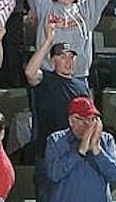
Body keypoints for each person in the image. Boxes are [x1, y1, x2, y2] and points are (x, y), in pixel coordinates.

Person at [43, 96, 116, 202]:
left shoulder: (107, 140)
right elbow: (54, 174)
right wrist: (80, 152)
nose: (89, 125)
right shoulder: (56, 141)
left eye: (92, 119)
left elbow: (115, 175)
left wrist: (97, 150)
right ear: (72, 121)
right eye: (84, 120)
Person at [25, 20, 91, 162]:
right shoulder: (46, 79)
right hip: (49, 150)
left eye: (71, 57)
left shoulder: (81, 86)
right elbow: (30, 73)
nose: (68, 61)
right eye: (62, 57)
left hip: (75, 150)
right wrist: (48, 41)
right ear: (52, 60)